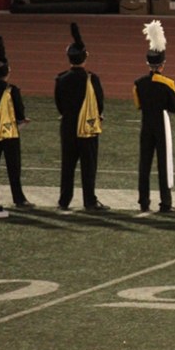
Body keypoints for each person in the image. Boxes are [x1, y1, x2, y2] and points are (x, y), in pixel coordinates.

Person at [55, 23, 109, 212]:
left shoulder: (61, 79)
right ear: (85, 58)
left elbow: (59, 104)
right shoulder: (91, 79)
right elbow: (99, 102)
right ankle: (89, 201)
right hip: (87, 126)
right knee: (89, 165)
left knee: (67, 165)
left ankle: (64, 200)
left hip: (68, 126)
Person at [0, 36, 33, 209]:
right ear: (8, 72)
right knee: (13, 167)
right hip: (10, 132)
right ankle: (19, 199)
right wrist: (22, 121)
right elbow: (19, 112)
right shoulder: (13, 90)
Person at [134, 20, 175, 214]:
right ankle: (165, 203)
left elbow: (138, 105)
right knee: (163, 163)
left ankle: (143, 201)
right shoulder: (168, 83)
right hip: (161, 123)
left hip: (146, 123)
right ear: (163, 64)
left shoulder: (139, 83)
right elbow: (173, 107)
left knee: (145, 163)